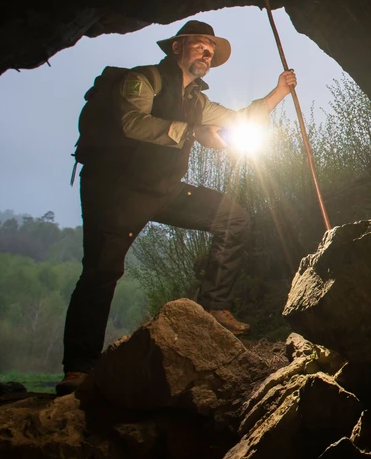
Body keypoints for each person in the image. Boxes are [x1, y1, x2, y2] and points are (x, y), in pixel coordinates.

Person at [57, 20, 297, 395]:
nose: (207, 53)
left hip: (162, 189)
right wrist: (190, 132)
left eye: (211, 51)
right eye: (201, 45)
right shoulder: (143, 79)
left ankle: (213, 309)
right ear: (176, 48)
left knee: (232, 218)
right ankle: (78, 369)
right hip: (115, 191)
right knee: (101, 274)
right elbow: (132, 123)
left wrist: (279, 92)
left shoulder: (197, 100)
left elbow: (237, 119)